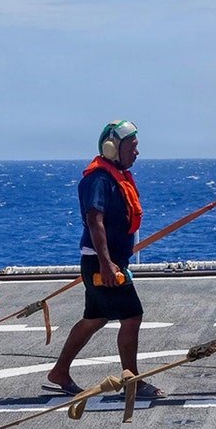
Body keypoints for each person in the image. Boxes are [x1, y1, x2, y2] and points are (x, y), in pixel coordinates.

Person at [45, 120, 165, 399]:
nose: (136, 152)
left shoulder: (112, 176)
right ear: (112, 147)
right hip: (102, 264)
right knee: (132, 315)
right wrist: (107, 263)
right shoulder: (98, 179)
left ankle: (60, 371)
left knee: (95, 318)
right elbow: (94, 221)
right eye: (132, 147)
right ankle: (131, 381)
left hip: (103, 262)